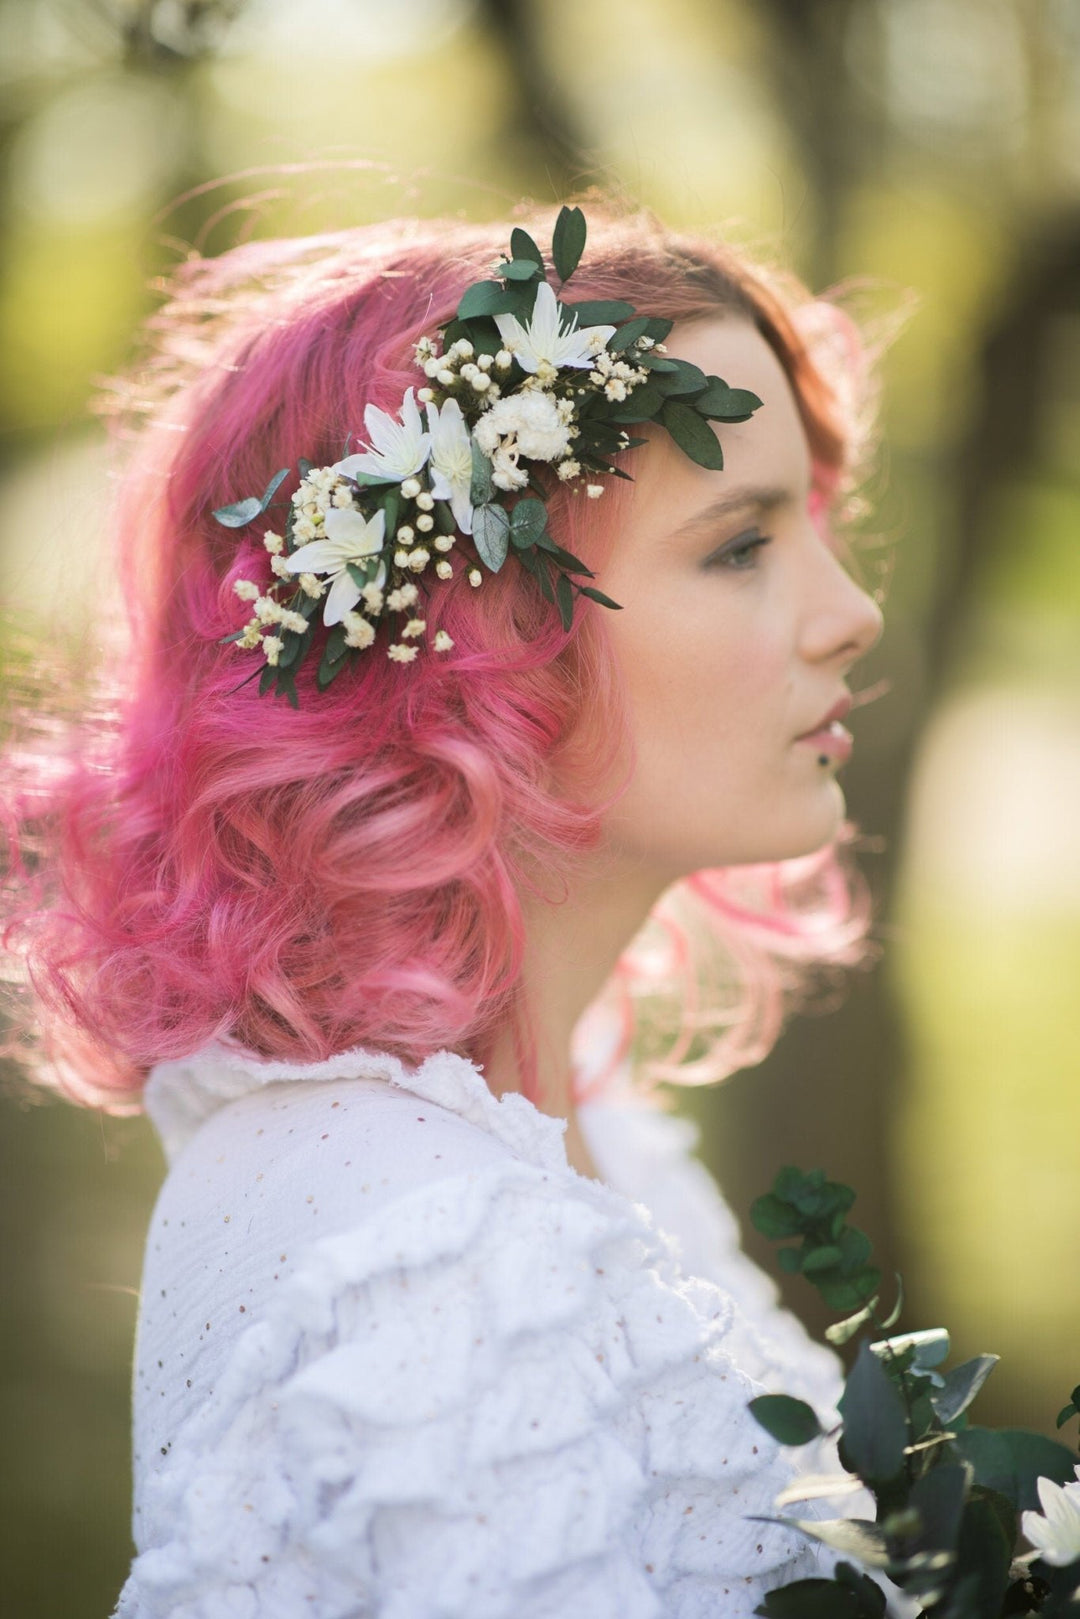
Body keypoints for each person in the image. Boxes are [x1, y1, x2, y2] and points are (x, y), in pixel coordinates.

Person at [1, 197, 896, 1617]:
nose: (852, 613)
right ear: (480, 645)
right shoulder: (421, 1251)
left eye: (814, 530)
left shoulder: (584, 1139)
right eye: (739, 546)